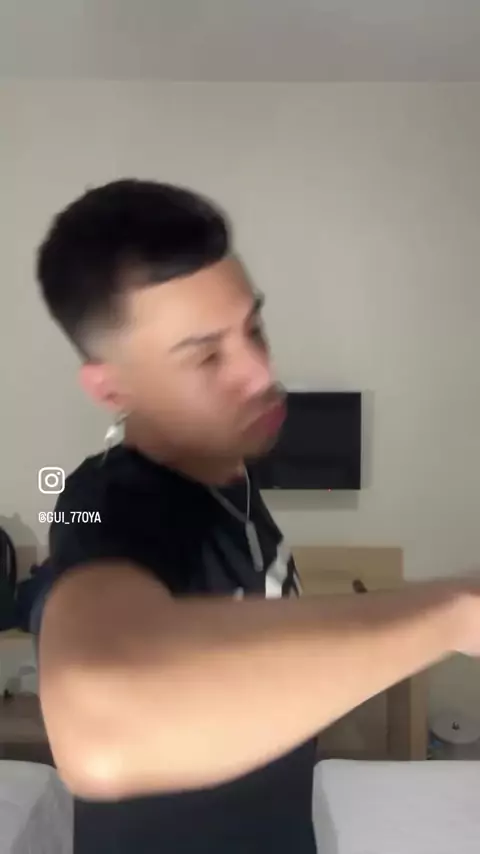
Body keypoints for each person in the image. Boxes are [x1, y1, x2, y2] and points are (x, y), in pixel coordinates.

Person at [35, 178, 480, 854]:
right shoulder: (104, 501)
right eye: (206, 356)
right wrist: (458, 613)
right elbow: (101, 727)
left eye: (254, 329)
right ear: (112, 387)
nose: (261, 373)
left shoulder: (229, 471)